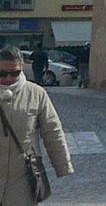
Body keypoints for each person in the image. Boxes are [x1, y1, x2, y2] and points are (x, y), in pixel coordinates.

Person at [0, 45, 73, 205]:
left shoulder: (36, 94)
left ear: (21, 68)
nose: (8, 78)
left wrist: (62, 165)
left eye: (15, 73)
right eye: (2, 73)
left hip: (21, 178)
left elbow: (52, 130)